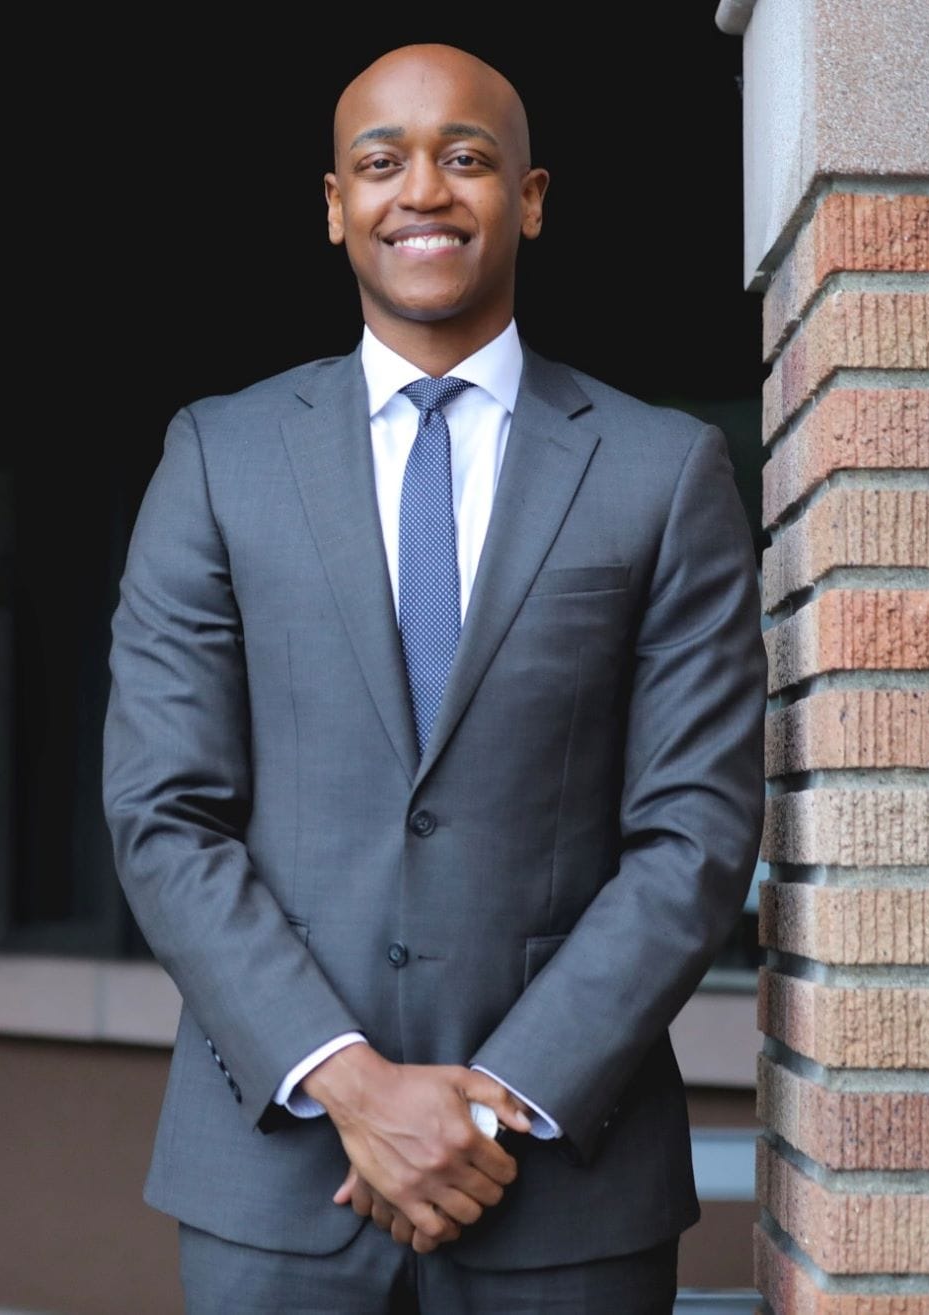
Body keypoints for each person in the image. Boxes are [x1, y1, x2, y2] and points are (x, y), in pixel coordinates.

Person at [102, 42, 765, 1313]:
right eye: (380, 162)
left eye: (466, 158)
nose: (425, 191)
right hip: (274, 1179)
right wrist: (350, 1081)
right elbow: (162, 809)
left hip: (567, 1182)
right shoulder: (215, 458)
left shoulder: (660, 471)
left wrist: (492, 1102)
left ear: (528, 198)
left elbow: (695, 832)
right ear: (336, 205)